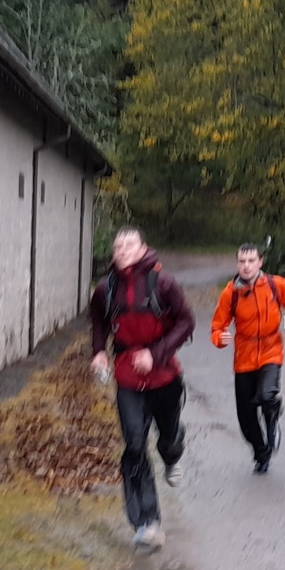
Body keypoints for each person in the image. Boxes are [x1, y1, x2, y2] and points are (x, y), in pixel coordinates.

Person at [89, 226, 195, 553]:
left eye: (129, 244)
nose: (122, 249)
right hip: (128, 378)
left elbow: (187, 322)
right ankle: (147, 524)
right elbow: (98, 322)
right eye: (118, 245)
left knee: (168, 439)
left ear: (143, 248)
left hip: (164, 375)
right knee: (134, 445)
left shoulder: (163, 283)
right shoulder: (105, 289)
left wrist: (155, 354)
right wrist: (99, 352)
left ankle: (172, 453)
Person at [210, 242, 285, 474]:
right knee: (246, 417)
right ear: (237, 264)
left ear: (260, 262)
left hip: (271, 350)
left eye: (251, 261)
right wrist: (220, 338)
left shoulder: (275, 285)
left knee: (267, 395)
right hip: (244, 356)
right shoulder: (231, 293)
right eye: (242, 261)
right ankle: (261, 454)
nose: (246, 266)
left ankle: (272, 420)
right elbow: (217, 326)